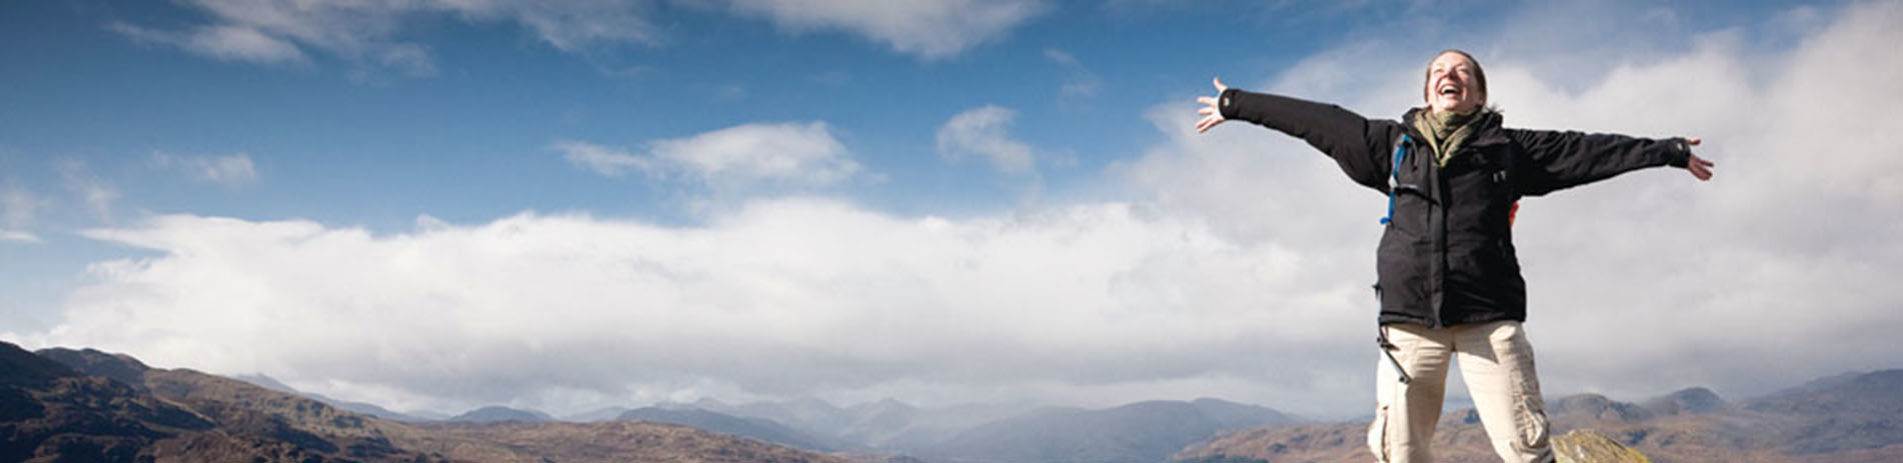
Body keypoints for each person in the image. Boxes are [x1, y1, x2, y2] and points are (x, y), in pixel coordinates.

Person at [1193, 49, 1715, 463]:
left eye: (1463, 71)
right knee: (1400, 450)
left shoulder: (1511, 149)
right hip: (1410, 323)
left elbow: (1587, 150)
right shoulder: (1389, 145)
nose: (1451, 75)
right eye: (1441, 70)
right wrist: (1236, 104)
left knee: (1525, 445)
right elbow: (1317, 120)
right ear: (1427, 91)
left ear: (1480, 93)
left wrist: (1665, 151)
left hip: (1488, 318)